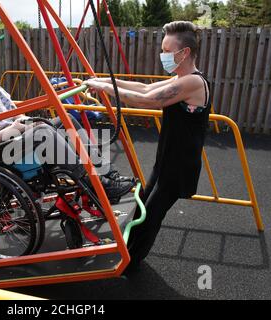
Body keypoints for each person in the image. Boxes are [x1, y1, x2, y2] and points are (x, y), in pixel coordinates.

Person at [85, 21, 211, 275]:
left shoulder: (194, 83)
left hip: (179, 166)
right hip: (166, 162)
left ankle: (129, 266)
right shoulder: (180, 78)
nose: (162, 55)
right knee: (142, 205)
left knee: (150, 217)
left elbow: (146, 100)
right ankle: (126, 254)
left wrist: (105, 88)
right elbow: (143, 87)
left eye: (166, 50)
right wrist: (102, 80)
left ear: (183, 53)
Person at [0, 43, 134, 203]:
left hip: (15, 138)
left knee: (66, 120)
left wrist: (23, 122)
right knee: (43, 131)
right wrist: (9, 130)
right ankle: (94, 183)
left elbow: (16, 114)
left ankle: (105, 171)